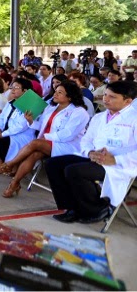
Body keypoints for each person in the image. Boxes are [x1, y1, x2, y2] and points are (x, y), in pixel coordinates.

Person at [45, 81, 137, 224]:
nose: (105, 99)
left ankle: (97, 209)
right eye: (105, 95)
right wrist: (90, 152)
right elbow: (86, 140)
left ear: (127, 101)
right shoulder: (100, 117)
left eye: (112, 97)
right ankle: (72, 208)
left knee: (74, 171)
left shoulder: (134, 119)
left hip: (120, 165)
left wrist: (114, 160)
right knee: (53, 164)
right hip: (95, 158)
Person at [0, 81, 89, 198]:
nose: (55, 94)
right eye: (56, 91)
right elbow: (41, 126)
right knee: (34, 154)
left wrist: (46, 137)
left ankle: (9, 164)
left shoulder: (79, 112)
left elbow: (68, 135)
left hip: (68, 145)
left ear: (70, 96)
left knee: (35, 144)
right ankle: (14, 183)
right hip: (46, 143)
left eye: (60, 93)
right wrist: (31, 121)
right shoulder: (51, 108)